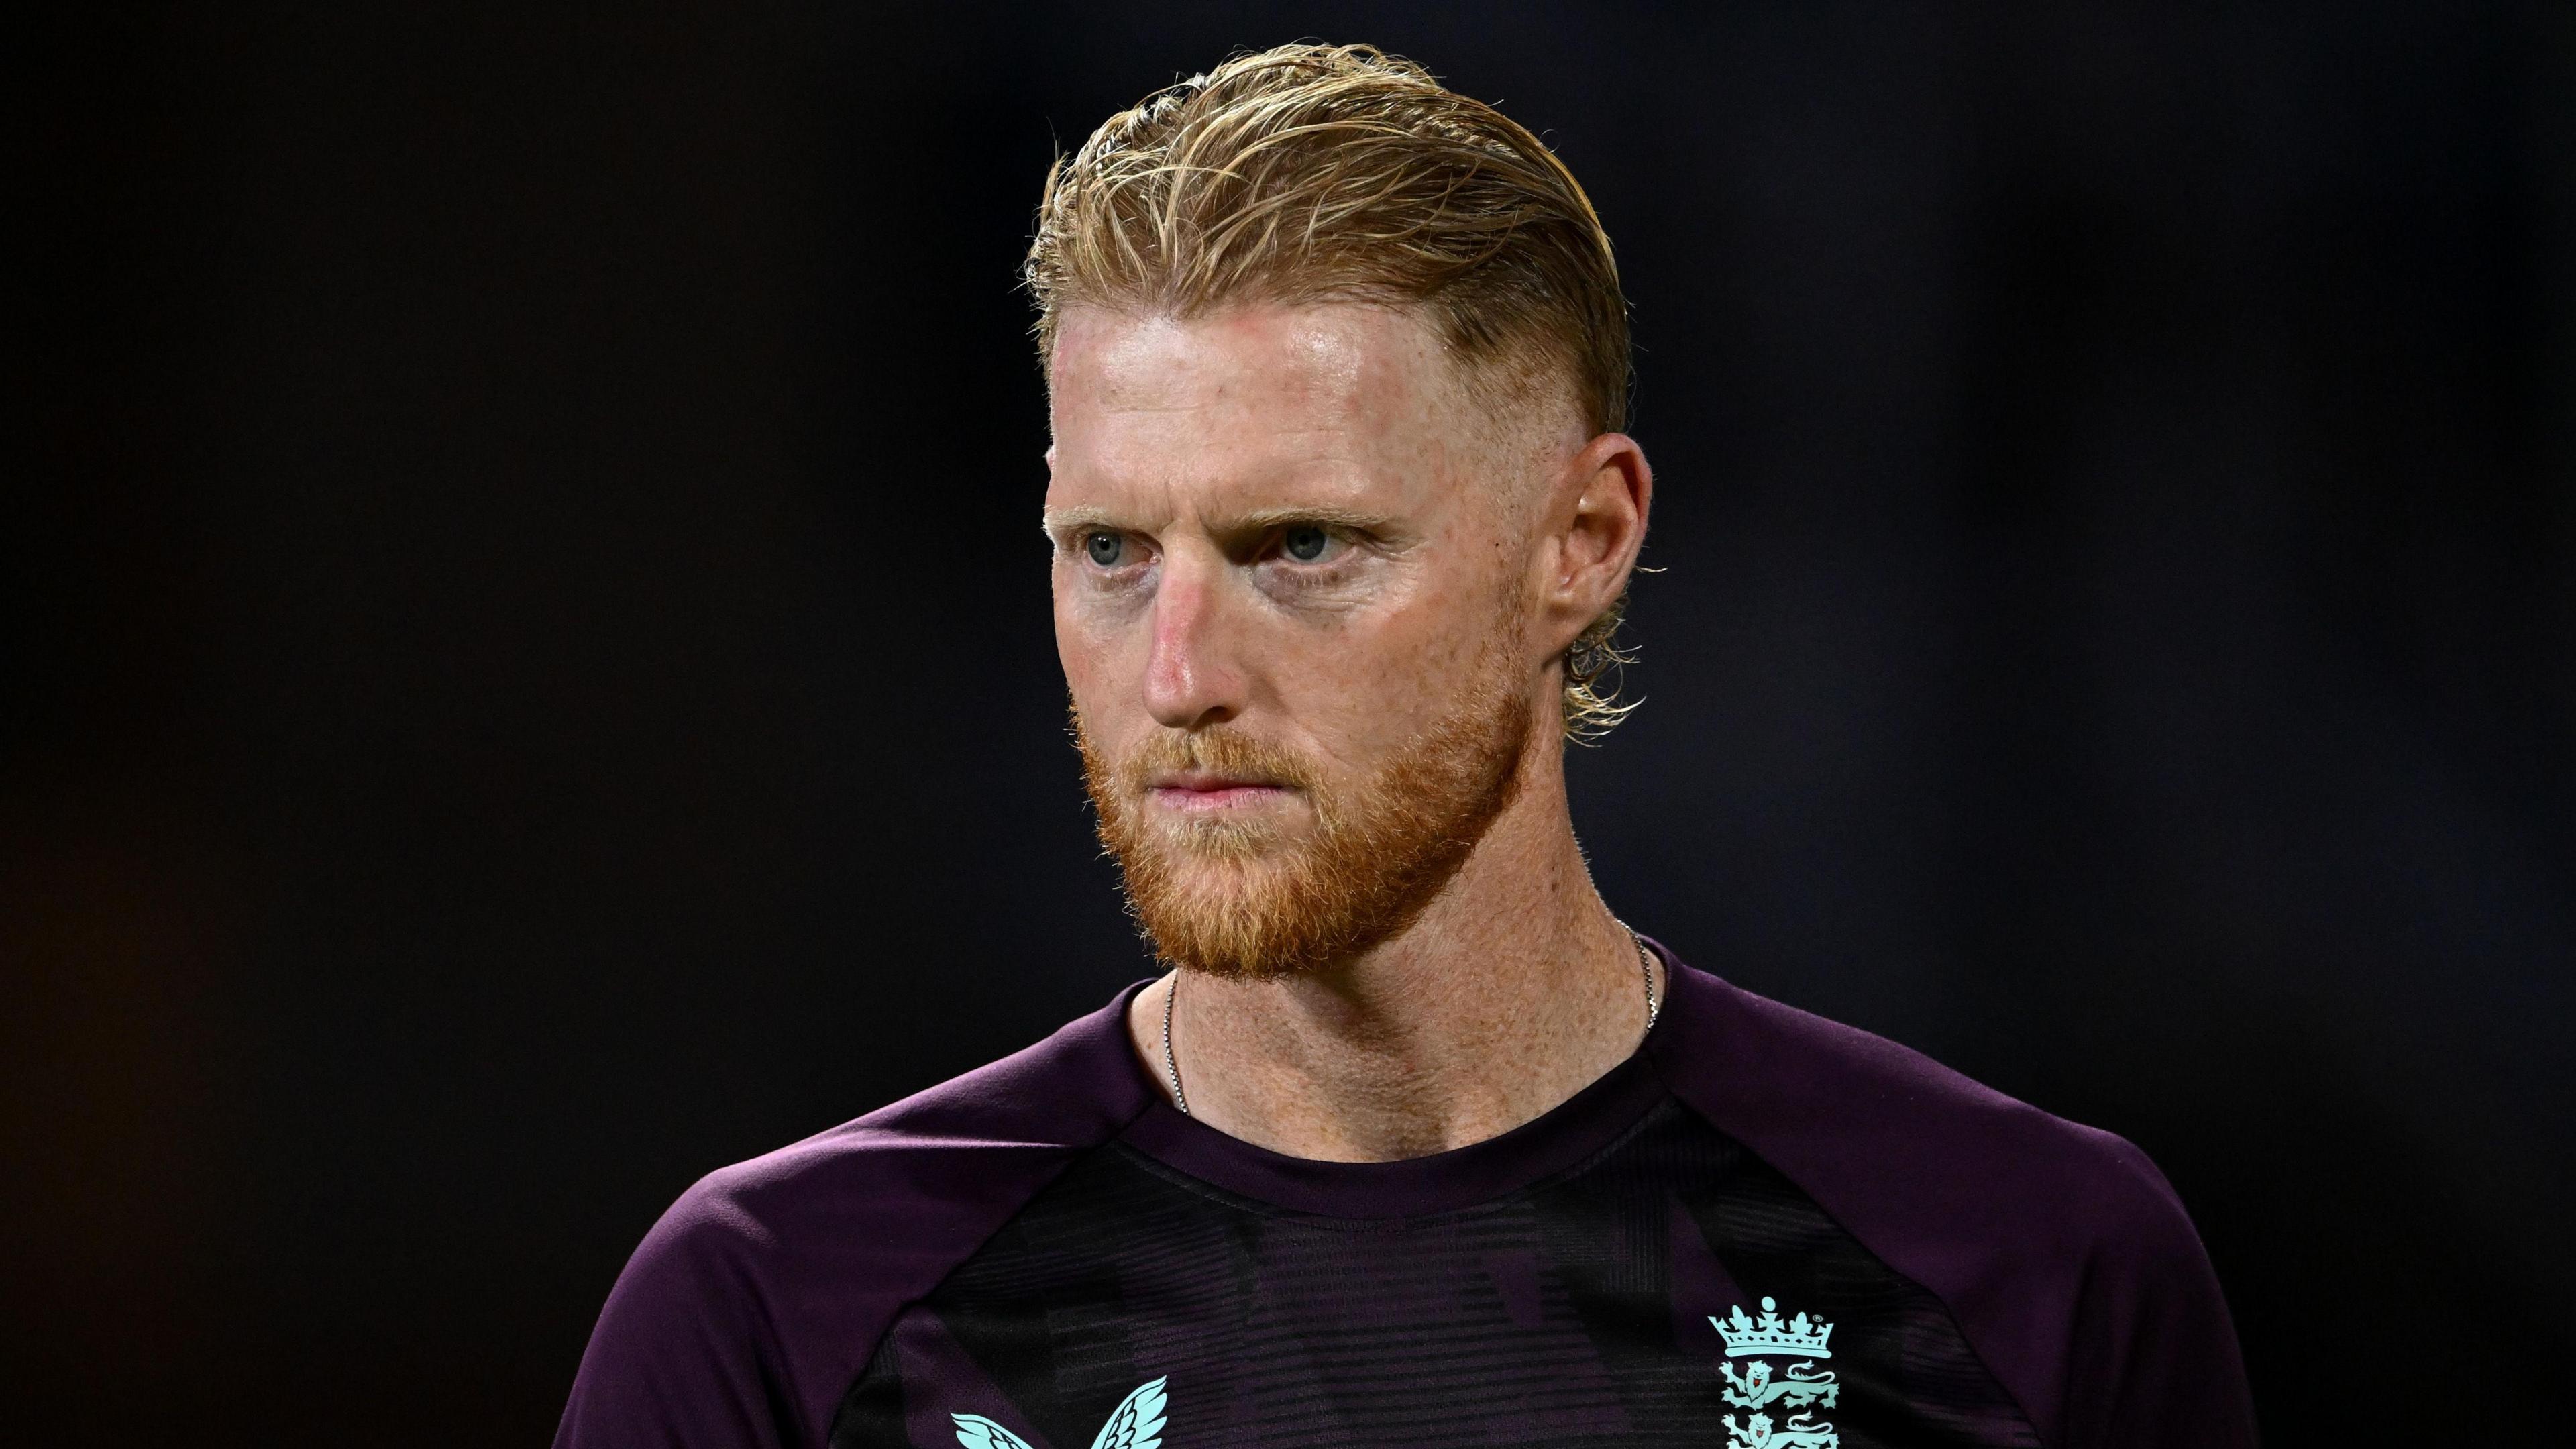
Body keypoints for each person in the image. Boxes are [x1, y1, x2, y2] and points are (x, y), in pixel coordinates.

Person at [555, 43, 2256, 1449]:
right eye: (1113, 552)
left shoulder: (2025, 1271)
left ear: (1580, 541)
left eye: (1303, 547)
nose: (1180, 675)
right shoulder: (787, 1315)